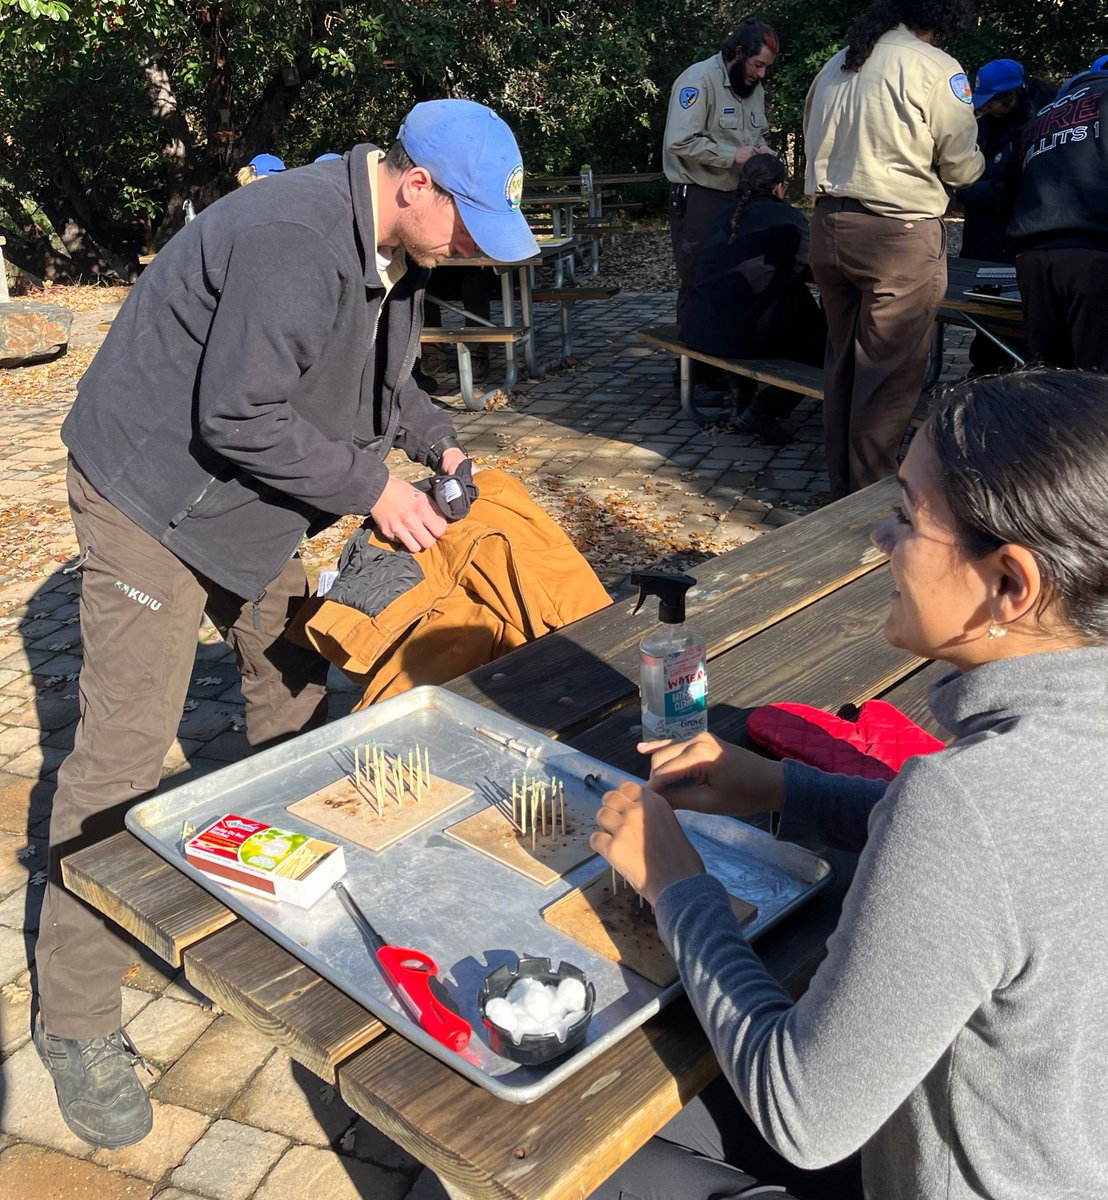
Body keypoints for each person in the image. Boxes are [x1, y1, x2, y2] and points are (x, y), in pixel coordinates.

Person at [33, 98, 538, 1151]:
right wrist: (374, 492)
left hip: (256, 505)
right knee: (120, 755)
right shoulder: (293, 235)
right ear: (414, 184)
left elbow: (382, 386)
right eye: (467, 220)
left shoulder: (395, 251)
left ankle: (272, 923)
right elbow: (236, 414)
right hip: (151, 500)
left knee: (296, 703)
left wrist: (438, 448)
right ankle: (75, 1019)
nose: (473, 248)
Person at [590, 369, 1108, 1198]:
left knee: (563, 1152)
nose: (880, 537)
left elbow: (804, 1115)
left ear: (1009, 584)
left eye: (908, 515)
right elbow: (1026, 865)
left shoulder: (971, 802)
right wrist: (787, 788)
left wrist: (678, 885)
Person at [804, 0, 983, 499]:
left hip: (828, 225)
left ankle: (842, 485)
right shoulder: (934, 66)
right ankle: (866, 502)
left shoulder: (837, 62)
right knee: (887, 373)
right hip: (896, 234)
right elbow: (961, 164)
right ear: (941, 20)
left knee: (843, 362)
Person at [679, 155, 826, 446]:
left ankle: (741, 398)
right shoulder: (788, 218)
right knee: (823, 345)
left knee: (750, 299)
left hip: (700, 326)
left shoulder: (724, 215)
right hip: (739, 335)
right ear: (778, 188)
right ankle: (763, 410)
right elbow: (814, 269)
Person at [663, 19, 780, 326]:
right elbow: (679, 141)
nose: (761, 74)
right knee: (699, 280)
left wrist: (762, 149)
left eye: (766, 67)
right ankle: (691, 370)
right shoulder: (698, 80)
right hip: (701, 200)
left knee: (736, 281)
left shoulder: (754, 87)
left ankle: (725, 365)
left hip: (740, 197)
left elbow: (755, 135)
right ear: (739, 53)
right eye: (757, 64)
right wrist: (732, 156)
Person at [954, 58, 1055, 374]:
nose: (993, 108)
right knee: (984, 319)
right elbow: (961, 180)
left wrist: (984, 188)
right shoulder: (980, 129)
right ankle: (984, 373)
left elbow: (1023, 186)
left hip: (1017, 243)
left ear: (1018, 92)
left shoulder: (1038, 124)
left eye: (1000, 100)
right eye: (988, 102)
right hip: (981, 242)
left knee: (1023, 322)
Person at [1006, 63, 1108, 371]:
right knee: (1096, 378)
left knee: (1047, 375)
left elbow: (1009, 193)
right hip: (1093, 254)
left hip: (1032, 257)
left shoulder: (1041, 116)